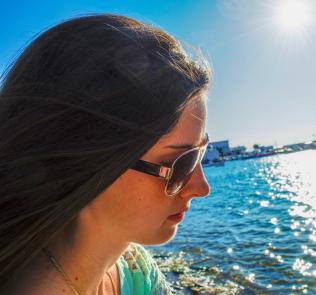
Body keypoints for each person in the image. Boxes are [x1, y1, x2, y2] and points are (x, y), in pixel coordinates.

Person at [0, 13, 211, 295]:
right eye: (182, 164)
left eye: (201, 152)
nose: (202, 188)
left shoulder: (133, 266)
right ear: (84, 160)